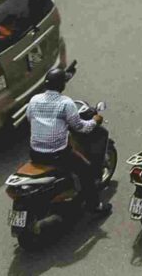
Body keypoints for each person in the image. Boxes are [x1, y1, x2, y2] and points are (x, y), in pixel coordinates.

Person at [26, 64, 103, 196]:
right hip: (58, 155)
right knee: (87, 170)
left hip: (35, 153)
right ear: (61, 86)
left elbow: (29, 118)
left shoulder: (34, 100)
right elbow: (81, 128)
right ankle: (94, 207)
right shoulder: (66, 103)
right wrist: (95, 120)